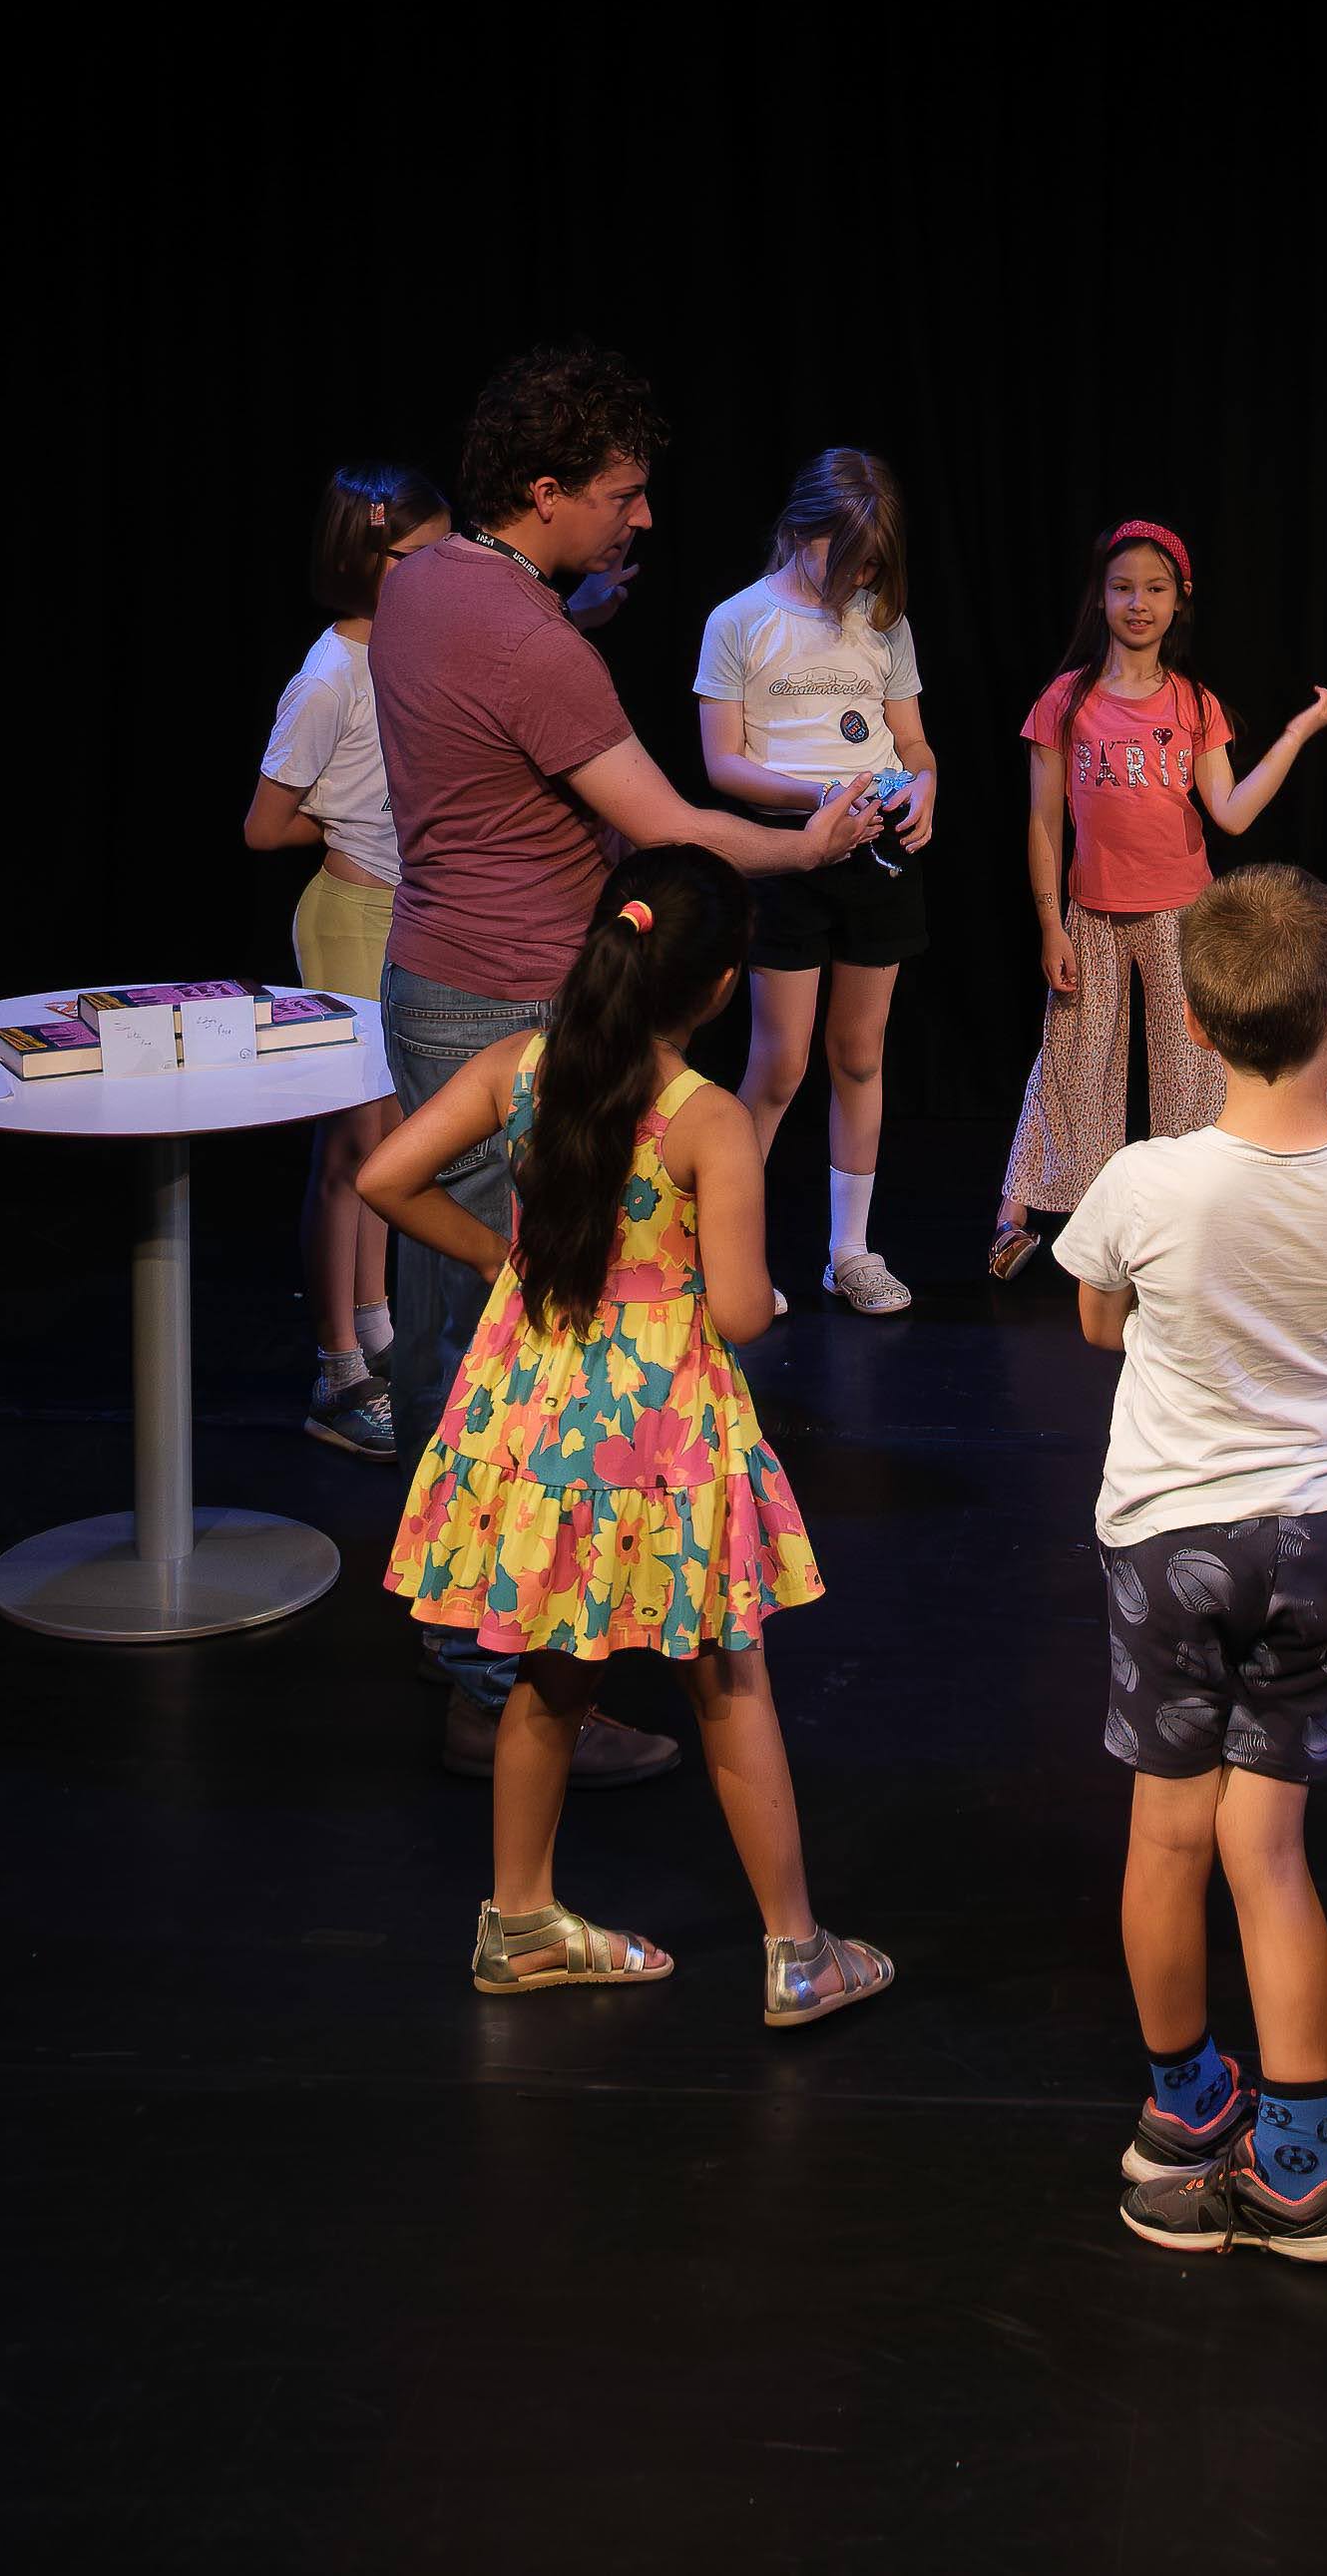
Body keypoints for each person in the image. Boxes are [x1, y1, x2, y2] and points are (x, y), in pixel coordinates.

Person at [379, 342, 896, 1785]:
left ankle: (493, 1638)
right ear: (546, 492)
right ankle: (494, 1673)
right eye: (620, 494)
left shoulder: (425, 576)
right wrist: (803, 847)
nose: (644, 518)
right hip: (503, 999)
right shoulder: (530, 646)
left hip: (435, 973)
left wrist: (569, 605)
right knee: (494, 1335)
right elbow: (666, 820)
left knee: (463, 1322)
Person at [363, 845, 895, 2029]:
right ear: (717, 986)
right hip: (662, 1426)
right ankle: (797, 1950)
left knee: (551, 1669)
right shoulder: (707, 1118)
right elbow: (746, 1307)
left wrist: (502, 1255)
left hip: (542, 1414)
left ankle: (520, 1918)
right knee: (726, 1671)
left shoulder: (521, 1067)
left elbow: (390, 1176)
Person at [1058, 865, 1327, 2263]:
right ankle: (1296, 2167)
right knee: (1267, 1856)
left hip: (1172, 1538)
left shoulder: (1141, 1180)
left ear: (1199, 1032)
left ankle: (1180, 2113)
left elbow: (1101, 1322)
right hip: (1325, 1537)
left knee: (1167, 1836)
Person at [989, 521, 1327, 1278]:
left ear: (1179, 601)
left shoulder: (1194, 703)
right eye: (1123, 588)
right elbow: (1043, 823)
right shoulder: (1067, 700)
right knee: (1072, 1064)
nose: (1138, 604)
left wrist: (1296, 733)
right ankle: (1015, 1220)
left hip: (1183, 913)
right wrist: (1051, 927)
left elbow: (1233, 812)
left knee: (1194, 1072)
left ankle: (1203, 1222)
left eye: (1154, 589)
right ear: (1102, 598)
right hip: (1091, 914)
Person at [693, 447, 943, 1318]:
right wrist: (817, 804)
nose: (862, 578)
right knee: (779, 1064)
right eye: (847, 559)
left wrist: (925, 783)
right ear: (802, 532)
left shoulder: (883, 621)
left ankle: (850, 1251)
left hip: (876, 851)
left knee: (860, 1054)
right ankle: (726, 1259)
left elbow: (911, 744)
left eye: (874, 564)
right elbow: (723, 763)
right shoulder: (739, 621)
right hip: (786, 856)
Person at [240, 464, 444, 1458]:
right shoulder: (327, 674)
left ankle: (376, 1334)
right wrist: (352, 822)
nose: (439, 572)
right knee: (353, 1154)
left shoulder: (415, 646)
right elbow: (262, 824)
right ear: (365, 555)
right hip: (348, 914)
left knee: (392, 1146)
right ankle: (337, 1373)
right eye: (420, 555)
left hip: (408, 912)